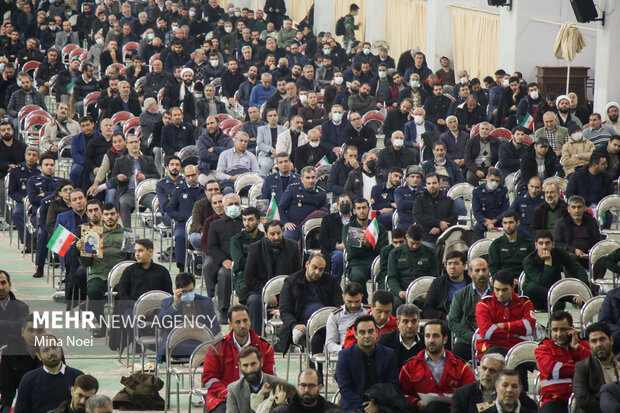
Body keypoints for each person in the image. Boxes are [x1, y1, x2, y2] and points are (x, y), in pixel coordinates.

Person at [202, 305, 275, 413]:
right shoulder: (216, 348)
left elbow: (270, 376)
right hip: (223, 397)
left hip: (258, 396)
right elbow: (209, 378)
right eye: (238, 322)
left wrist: (259, 394)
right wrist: (229, 394)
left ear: (250, 321)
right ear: (230, 324)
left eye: (245, 320)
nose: (242, 325)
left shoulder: (265, 347)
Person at [399, 320, 476, 413]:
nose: (431, 340)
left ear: (445, 339)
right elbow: (401, 396)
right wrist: (417, 403)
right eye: (427, 336)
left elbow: (472, 394)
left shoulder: (461, 367)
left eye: (435, 336)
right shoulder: (409, 367)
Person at [77, 203, 130, 335]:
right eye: (106, 214)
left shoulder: (127, 234)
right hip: (99, 274)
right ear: (102, 216)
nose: (109, 217)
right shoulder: (93, 234)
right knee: (93, 291)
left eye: (112, 214)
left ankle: (120, 327)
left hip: (121, 277)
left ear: (117, 215)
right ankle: (102, 324)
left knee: (127, 294)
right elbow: (86, 263)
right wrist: (81, 251)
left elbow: (132, 260)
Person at [241, 220, 301, 334]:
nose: (276, 237)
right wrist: (268, 294)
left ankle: (290, 339)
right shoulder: (255, 248)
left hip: (286, 291)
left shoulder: (292, 246)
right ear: (265, 234)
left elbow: (297, 275)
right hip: (260, 291)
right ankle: (256, 338)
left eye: (279, 233)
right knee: (254, 301)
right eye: (272, 234)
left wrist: (283, 294)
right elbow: (249, 278)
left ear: (282, 231)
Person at [278, 253, 343, 352]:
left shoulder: (331, 281)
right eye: (314, 267)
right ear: (307, 264)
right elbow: (284, 310)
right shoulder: (291, 282)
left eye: (321, 269)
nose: (317, 272)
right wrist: (294, 325)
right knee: (315, 340)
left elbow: (339, 305)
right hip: (303, 325)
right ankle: (314, 368)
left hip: (327, 323)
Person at [335, 315, 399, 413]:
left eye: (371, 331)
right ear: (355, 334)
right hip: (354, 406)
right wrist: (366, 407)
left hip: (382, 406)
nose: (367, 336)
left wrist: (377, 405)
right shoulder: (345, 355)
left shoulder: (388, 354)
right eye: (362, 332)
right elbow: (345, 388)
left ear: (377, 332)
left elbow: (392, 386)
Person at [156, 272, 220, 363]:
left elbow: (215, 327)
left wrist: (203, 332)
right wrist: (175, 305)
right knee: (174, 347)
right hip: (177, 342)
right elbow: (160, 324)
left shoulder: (206, 302)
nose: (188, 294)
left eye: (190, 291)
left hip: (199, 339)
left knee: (212, 347)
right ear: (177, 290)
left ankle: (202, 352)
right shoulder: (167, 302)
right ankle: (200, 352)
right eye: (184, 292)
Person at [535, 311, 591, 413]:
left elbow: (593, 365)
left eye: (563, 329)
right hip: (554, 400)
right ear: (550, 331)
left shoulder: (582, 345)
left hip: (583, 398)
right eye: (555, 330)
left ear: (571, 329)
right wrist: (581, 370)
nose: (559, 334)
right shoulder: (543, 349)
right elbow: (551, 369)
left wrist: (576, 347)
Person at [476, 269, 536, 361]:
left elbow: (529, 327)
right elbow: (487, 332)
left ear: (512, 287)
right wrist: (513, 334)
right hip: (490, 349)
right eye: (497, 289)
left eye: (504, 290)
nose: (500, 294)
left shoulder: (525, 303)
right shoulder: (484, 305)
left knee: (522, 365)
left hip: (517, 349)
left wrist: (503, 325)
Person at [14, 335, 84, 413]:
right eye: (46, 350)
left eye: (54, 347)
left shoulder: (77, 377)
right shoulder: (28, 379)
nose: (52, 352)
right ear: (39, 356)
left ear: (60, 349)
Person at [523, 230, 589, 310]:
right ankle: (571, 298)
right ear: (536, 245)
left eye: (547, 243)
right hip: (536, 298)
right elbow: (544, 282)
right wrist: (548, 262)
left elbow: (577, 269)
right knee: (531, 287)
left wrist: (583, 291)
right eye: (541, 243)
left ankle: (573, 298)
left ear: (553, 244)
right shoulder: (528, 260)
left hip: (556, 296)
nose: (544, 247)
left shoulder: (558, 252)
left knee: (557, 305)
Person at [451, 354, 537, 413]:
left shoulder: (514, 394)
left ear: (502, 373)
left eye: (492, 370)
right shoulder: (462, 395)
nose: (487, 374)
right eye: (484, 368)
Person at [109, 134, 160, 228]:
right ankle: (128, 232)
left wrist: (145, 176)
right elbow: (112, 181)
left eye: (136, 142)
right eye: (131, 142)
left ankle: (158, 227)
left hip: (145, 193)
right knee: (124, 202)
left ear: (139, 144)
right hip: (128, 192)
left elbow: (157, 177)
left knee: (156, 201)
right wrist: (118, 178)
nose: (134, 144)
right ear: (126, 145)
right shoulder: (120, 161)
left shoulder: (148, 160)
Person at [206, 193, 243, 320]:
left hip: (244, 261)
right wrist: (223, 260)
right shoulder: (215, 225)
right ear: (225, 207)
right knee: (224, 274)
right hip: (224, 261)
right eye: (230, 204)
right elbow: (212, 247)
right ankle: (223, 311)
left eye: (236, 204)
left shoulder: (246, 223)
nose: (234, 206)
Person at [343, 198, 388, 300]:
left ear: (369, 209)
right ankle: (363, 303)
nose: (362, 211)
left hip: (377, 261)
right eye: (358, 208)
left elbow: (385, 250)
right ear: (354, 211)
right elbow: (351, 252)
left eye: (364, 208)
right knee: (357, 276)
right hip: (357, 263)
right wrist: (365, 245)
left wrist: (370, 244)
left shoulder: (378, 226)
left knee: (386, 274)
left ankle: (380, 302)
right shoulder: (349, 227)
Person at [386, 224, 439, 311]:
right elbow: (392, 278)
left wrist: (429, 293)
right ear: (407, 237)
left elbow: (435, 277)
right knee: (396, 305)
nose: (414, 246)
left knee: (434, 307)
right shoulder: (395, 253)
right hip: (402, 292)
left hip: (423, 293)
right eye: (412, 243)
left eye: (418, 243)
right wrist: (399, 292)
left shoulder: (430, 253)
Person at [448, 258, 490, 361]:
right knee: (455, 360)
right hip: (468, 339)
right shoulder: (460, 295)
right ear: (470, 273)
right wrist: (473, 337)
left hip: (492, 339)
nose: (481, 274)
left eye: (484, 270)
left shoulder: (496, 293)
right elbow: (453, 322)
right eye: (477, 270)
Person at [0, 314, 45, 413]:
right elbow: (6, 391)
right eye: (31, 330)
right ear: (23, 331)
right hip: (16, 402)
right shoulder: (9, 352)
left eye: (39, 331)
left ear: (44, 333)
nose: (35, 335)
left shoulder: (53, 351)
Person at [573, 322, 620, 413]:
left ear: (611, 340)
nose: (599, 344)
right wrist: (611, 408)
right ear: (589, 344)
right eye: (594, 341)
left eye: (602, 339)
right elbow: (583, 400)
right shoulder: (582, 367)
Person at [168, 165, 205, 271]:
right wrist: (183, 217)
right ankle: (182, 266)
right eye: (188, 176)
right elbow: (170, 211)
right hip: (183, 223)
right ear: (184, 177)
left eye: (193, 175)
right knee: (180, 236)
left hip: (200, 224)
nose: (191, 178)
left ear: (197, 174)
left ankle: (199, 265)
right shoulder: (178, 190)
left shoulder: (205, 190)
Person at [278, 166, 328, 241]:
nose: (311, 181)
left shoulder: (321, 193)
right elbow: (281, 208)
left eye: (313, 177)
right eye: (307, 178)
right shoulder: (293, 190)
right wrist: (286, 223)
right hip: (294, 227)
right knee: (288, 238)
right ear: (302, 179)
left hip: (313, 228)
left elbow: (325, 211)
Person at [226, 346, 279, 413]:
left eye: (253, 364)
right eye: (245, 365)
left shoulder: (278, 385)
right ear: (240, 366)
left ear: (261, 362)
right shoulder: (233, 389)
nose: (250, 370)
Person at [553, 195, 602, 267]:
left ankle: (596, 278)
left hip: (590, 255)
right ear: (568, 209)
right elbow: (557, 244)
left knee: (603, 259)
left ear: (584, 208)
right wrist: (574, 250)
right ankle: (572, 278)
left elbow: (598, 240)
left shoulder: (591, 221)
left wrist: (594, 250)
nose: (576, 210)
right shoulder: (561, 223)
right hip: (571, 254)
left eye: (579, 207)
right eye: (573, 207)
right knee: (569, 257)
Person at [423, 251, 471, 320]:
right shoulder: (438, 283)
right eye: (449, 264)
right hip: (445, 321)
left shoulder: (472, 282)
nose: (452, 267)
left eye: (456, 264)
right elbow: (428, 309)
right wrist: (445, 317)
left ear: (464, 266)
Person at [413, 173, 458, 246]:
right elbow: (419, 217)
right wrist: (439, 223)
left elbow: (454, 217)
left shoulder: (448, 200)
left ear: (439, 184)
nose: (432, 186)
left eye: (434, 183)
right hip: (426, 238)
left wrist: (439, 228)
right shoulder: (419, 199)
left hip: (445, 238)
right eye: (429, 183)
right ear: (426, 185)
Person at [271, 369, 343, 413]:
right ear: (298, 386)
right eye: (303, 385)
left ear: (319, 387)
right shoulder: (281, 411)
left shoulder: (332, 410)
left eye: (311, 386)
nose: (306, 390)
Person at [488, 211, 535, 279]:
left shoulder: (527, 243)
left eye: (511, 222)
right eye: (505, 223)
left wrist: (523, 280)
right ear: (502, 224)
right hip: (503, 282)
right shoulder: (496, 244)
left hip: (523, 281)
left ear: (517, 223)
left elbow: (532, 265)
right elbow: (493, 268)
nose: (508, 226)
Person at [377, 304, 424, 369]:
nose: (410, 325)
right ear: (398, 323)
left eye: (414, 321)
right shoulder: (385, 341)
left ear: (418, 323)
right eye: (405, 321)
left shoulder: (426, 341)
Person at [325, 282, 367, 354]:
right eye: (350, 301)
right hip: (346, 353)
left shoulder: (369, 312)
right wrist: (344, 349)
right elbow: (330, 343)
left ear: (362, 297)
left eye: (357, 301)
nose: (353, 305)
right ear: (343, 297)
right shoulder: (335, 316)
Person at [472, 167, 509, 237]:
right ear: (487, 178)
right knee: (477, 229)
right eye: (492, 180)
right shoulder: (477, 191)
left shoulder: (503, 190)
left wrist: (494, 221)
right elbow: (476, 211)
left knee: (510, 226)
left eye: (497, 181)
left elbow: (505, 210)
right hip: (484, 220)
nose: (494, 183)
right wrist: (485, 222)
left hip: (499, 220)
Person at [256, 109, 287, 176]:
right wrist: (271, 150)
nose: (273, 117)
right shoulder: (261, 129)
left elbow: (287, 144)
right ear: (267, 118)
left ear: (278, 117)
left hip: (281, 155)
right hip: (266, 155)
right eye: (270, 116)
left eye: (275, 115)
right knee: (265, 165)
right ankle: (265, 182)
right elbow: (260, 143)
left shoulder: (284, 129)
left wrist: (278, 153)